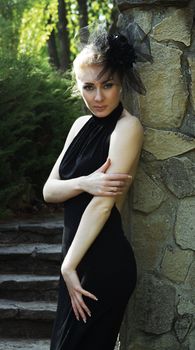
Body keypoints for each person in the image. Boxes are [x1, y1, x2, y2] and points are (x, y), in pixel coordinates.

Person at [43, 23, 152, 350]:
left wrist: (68, 264)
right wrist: (86, 181)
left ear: (121, 84)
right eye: (89, 87)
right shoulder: (79, 127)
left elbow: (103, 204)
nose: (99, 96)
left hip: (101, 263)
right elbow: (49, 190)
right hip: (76, 263)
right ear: (78, 86)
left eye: (108, 85)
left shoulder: (127, 128)